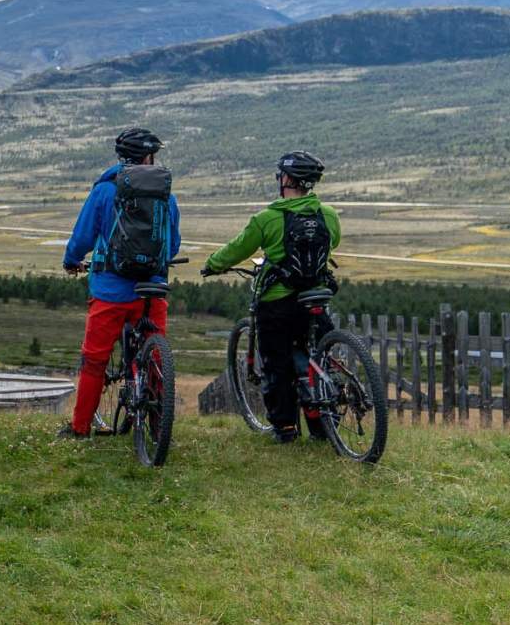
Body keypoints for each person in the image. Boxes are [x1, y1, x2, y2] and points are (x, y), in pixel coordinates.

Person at [201, 151, 341, 443]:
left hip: (278, 301)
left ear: (287, 179)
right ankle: (323, 424)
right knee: (319, 358)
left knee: (276, 363)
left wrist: (213, 264)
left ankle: (286, 428)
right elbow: (333, 243)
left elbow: (238, 248)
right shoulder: (328, 215)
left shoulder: (267, 218)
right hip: (315, 297)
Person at [58, 128, 181, 438]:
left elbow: (83, 237)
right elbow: (173, 244)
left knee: (95, 360)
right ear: (149, 158)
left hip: (110, 291)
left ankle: (81, 427)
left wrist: (72, 261)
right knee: (156, 358)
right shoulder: (166, 195)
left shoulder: (103, 191)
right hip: (152, 291)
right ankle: (157, 427)